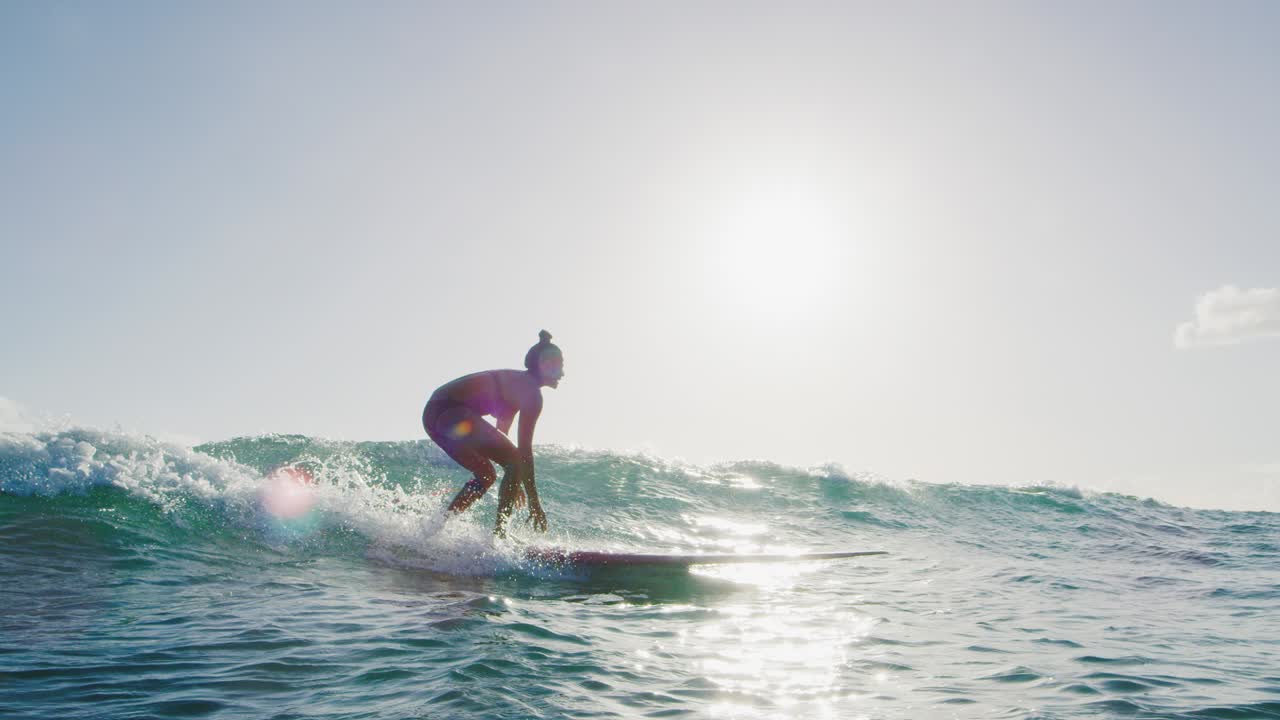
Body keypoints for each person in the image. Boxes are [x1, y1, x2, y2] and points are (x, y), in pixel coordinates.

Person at [423, 330, 564, 535]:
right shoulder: (532, 394)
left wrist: (514, 482)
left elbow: (501, 438)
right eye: (559, 365)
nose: (562, 373)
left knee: (486, 475)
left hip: (433, 418)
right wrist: (534, 503)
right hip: (451, 412)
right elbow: (523, 452)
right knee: (513, 461)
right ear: (545, 365)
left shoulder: (517, 384)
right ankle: (499, 536)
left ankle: (436, 531)